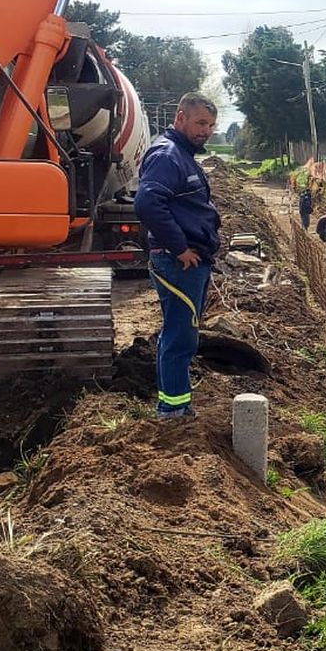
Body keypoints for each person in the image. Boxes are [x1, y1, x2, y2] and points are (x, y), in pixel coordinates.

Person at [134, 93, 221, 420]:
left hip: (188, 261)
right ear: (180, 118)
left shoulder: (182, 155)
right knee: (180, 336)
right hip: (179, 262)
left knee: (180, 332)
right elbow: (147, 204)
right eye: (200, 123)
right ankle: (172, 410)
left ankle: (176, 404)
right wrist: (179, 248)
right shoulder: (168, 156)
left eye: (211, 125)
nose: (206, 131)